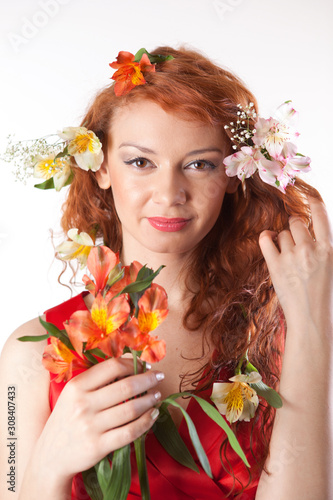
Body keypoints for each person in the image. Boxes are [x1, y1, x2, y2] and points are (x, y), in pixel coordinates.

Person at [0, 45, 332, 500]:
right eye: (140, 162)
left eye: (200, 164)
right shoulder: (27, 355)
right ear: (100, 168)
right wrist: (47, 465)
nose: (169, 193)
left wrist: (312, 322)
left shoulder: (280, 338)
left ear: (235, 174)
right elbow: (14, 485)